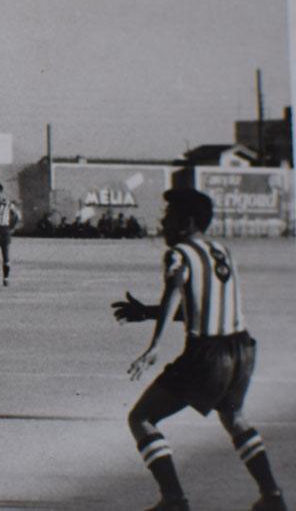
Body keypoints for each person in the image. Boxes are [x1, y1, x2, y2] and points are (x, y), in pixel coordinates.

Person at [112, 189, 287, 511]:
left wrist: (154, 346)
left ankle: (174, 499)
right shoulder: (222, 250)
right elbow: (203, 306)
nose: (163, 222)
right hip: (243, 349)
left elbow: (173, 294)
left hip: (208, 354)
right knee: (235, 418)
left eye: (169, 215)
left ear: (186, 221)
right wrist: (148, 312)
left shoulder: (179, 253)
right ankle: (272, 496)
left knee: (142, 418)